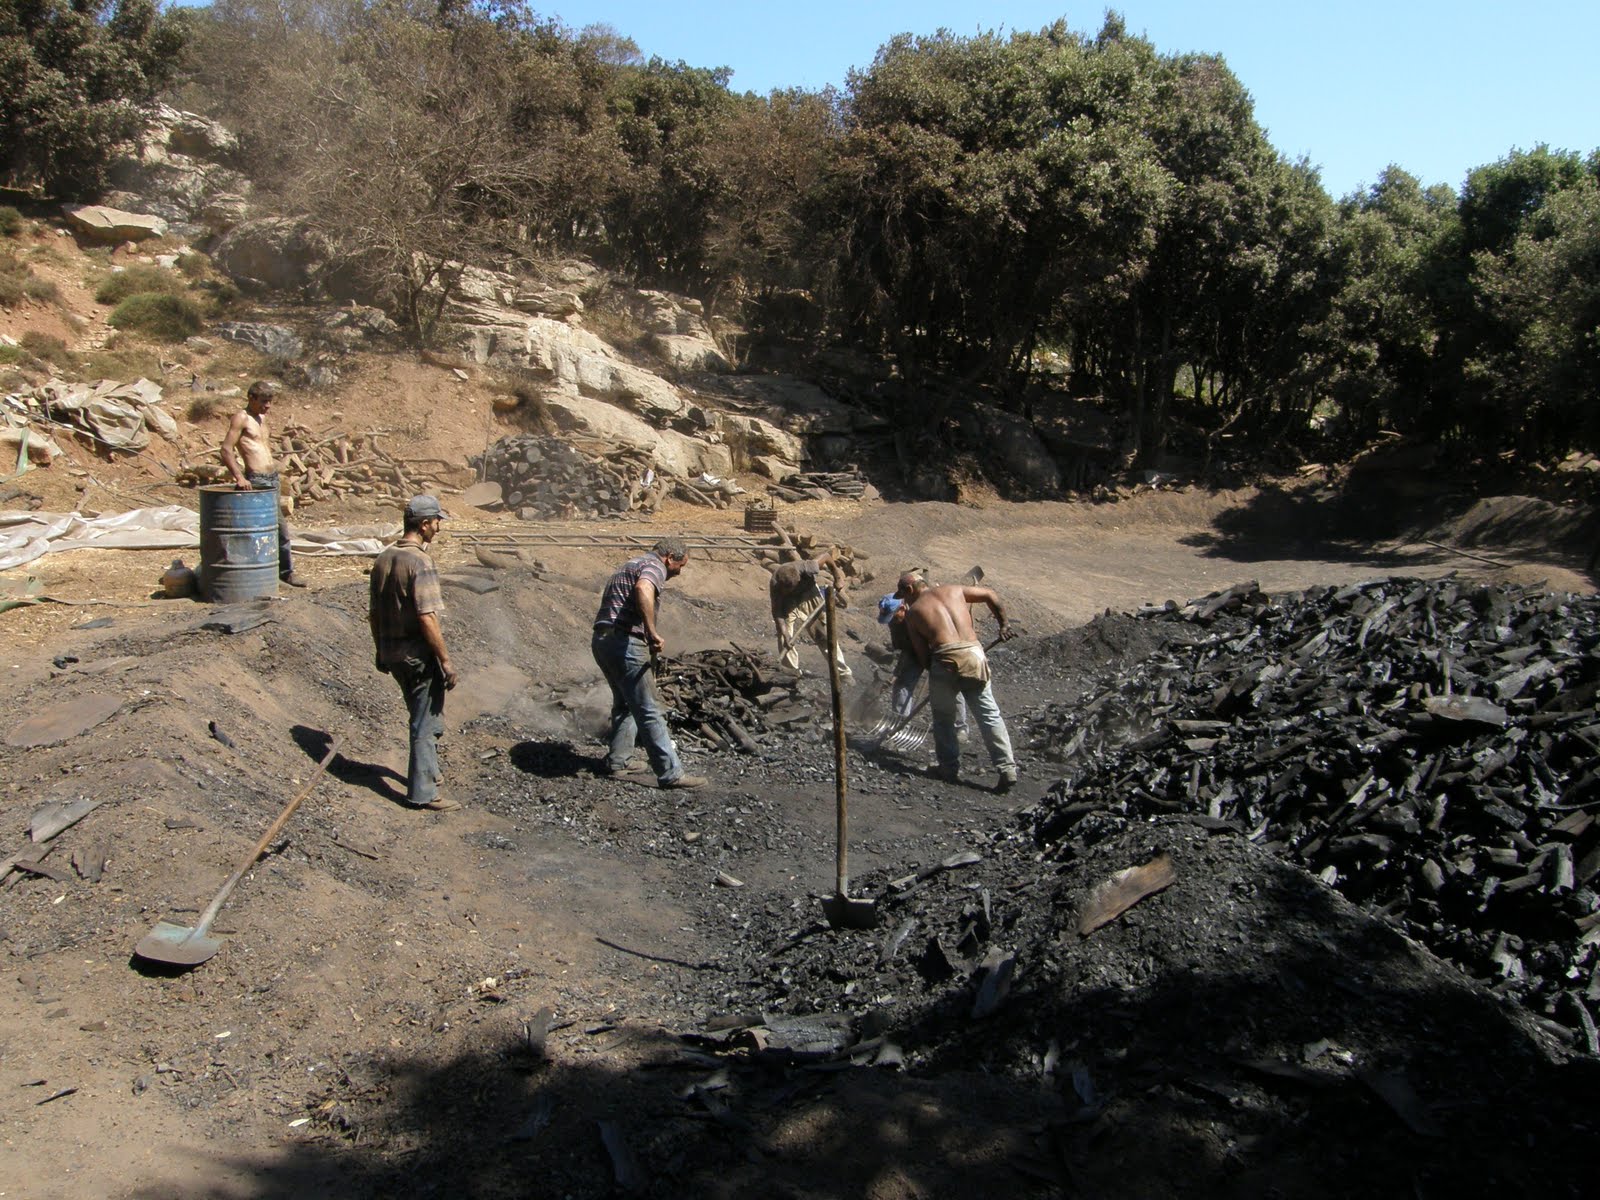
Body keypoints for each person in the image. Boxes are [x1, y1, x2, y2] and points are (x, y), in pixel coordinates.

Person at [592, 538, 707, 789]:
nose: (679, 571)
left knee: (625, 704)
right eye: (680, 565)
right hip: (625, 643)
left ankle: (618, 761)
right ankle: (670, 774)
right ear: (669, 558)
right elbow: (644, 589)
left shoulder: (629, 565)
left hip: (603, 641)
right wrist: (651, 631)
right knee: (649, 708)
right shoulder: (654, 567)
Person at [369, 495, 460, 812]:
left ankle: (430, 772)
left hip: (393, 652)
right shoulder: (420, 563)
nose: (438, 527)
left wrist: (380, 650)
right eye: (436, 521)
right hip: (416, 655)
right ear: (423, 524)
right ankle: (422, 793)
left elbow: (374, 613)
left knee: (422, 714)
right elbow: (427, 617)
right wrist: (445, 661)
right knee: (424, 721)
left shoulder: (384, 558)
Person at [897, 571, 1018, 791]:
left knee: (943, 719)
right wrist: (1004, 624)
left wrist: (936, 672)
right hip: (974, 655)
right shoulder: (955, 590)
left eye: (904, 596)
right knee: (989, 715)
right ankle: (1007, 768)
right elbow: (990, 594)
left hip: (945, 659)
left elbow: (922, 655)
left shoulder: (913, 613)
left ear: (909, 590)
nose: (904, 601)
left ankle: (949, 768)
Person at [220, 380, 305, 587]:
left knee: (278, 528)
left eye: (270, 402)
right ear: (251, 398)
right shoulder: (242, 417)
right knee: (264, 528)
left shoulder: (261, 418)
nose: (268, 406)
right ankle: (270, 573)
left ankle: (282, 572)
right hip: (256, 480)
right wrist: (240, 477)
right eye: (264, 401)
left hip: (271, 479)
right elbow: (226, 449)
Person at [879, 592, 966, 733]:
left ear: (902, 608)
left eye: (894, 617)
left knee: (950, 685)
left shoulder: (923, 611)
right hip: (913, 652)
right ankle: (901, 724)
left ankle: (959, 728)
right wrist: (897, 673)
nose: (892, 621)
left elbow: (943, 634)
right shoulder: (895, 623)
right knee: (902, 684)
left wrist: (933, 660)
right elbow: (902, 647)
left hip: (938, 648)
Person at [769, 551, 852, 678]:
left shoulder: (808, 567)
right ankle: (791, 674)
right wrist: (785, 633)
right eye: (786, 589)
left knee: (823, 634)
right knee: (784, 638)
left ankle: (843, 673)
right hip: (787, 601)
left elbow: (827, 556)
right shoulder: (776, 585)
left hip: (808, 593)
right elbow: (777, 612)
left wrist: (837, 577)